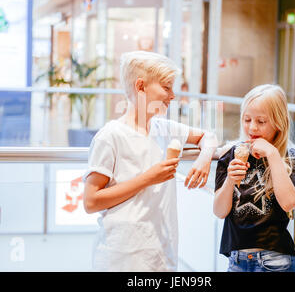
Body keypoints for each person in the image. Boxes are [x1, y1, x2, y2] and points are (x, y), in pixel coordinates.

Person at [83, 50, 218, 271]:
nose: (172, 95)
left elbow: (208, 137)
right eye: (166, 87)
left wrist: (204, 158)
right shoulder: (110, 136)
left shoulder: (164, 129)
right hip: (122, 257)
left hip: (161, 254)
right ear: (140, 86)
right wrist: (148, 179)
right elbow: (91, 202)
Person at [213, 84, 295, 272]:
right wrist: (230, 179)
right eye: (247, 119)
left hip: (276, 261)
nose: (252, 127)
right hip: (237, 260)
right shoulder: (230, 154)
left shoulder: (291, 157)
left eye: (261, 121)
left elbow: (288, 203)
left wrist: (272, 154)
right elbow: (220, 211)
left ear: (279, 123)